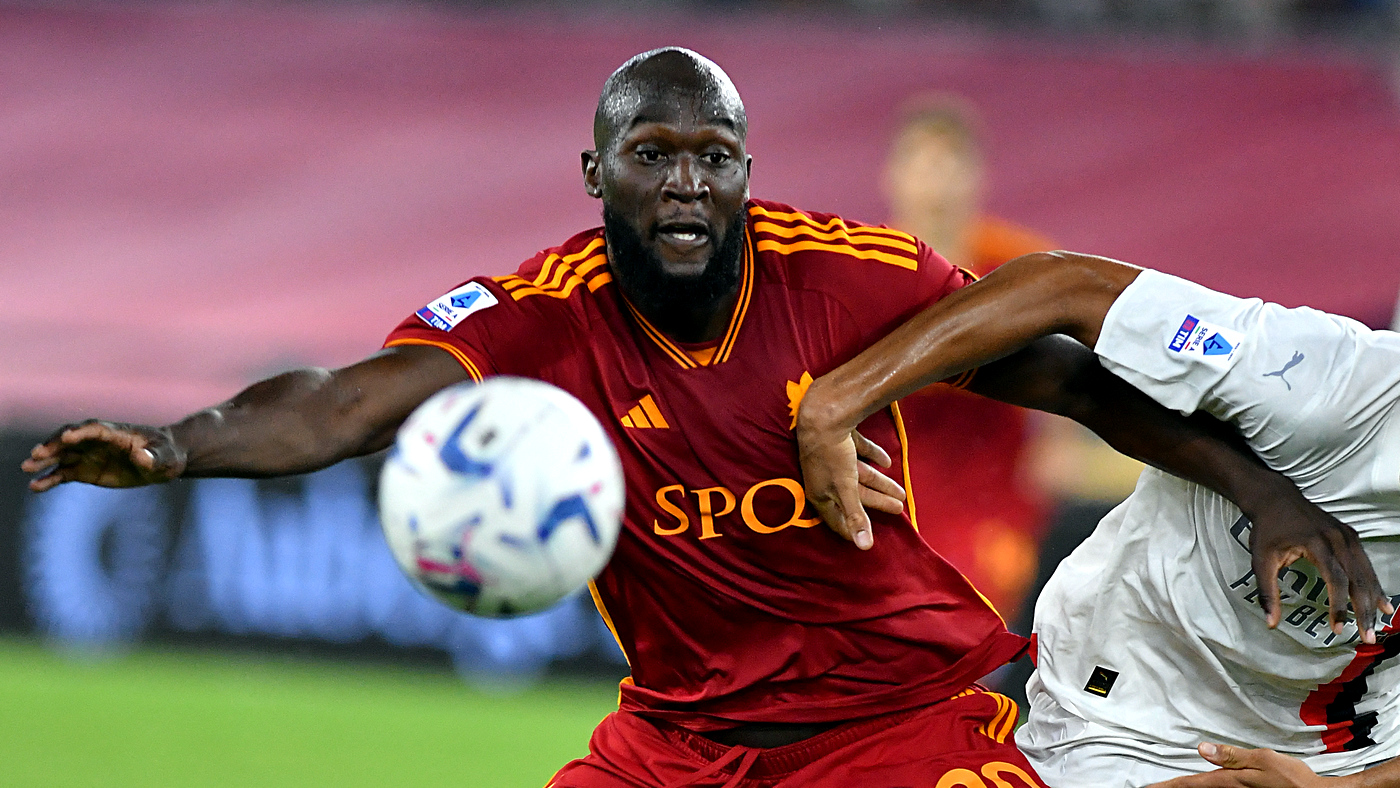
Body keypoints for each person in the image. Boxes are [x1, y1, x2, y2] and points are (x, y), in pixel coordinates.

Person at [22, 49, 1382, 787]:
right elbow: (341, 404)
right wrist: (177, 447)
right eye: (653, 155)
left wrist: (1265, 493)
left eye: (712, 157)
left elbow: (1075, 377)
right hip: (673, 745)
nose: (685, 182)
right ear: (594, 170)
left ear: (745, 173)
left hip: (895, 729)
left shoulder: (846, 276)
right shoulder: (537, 318)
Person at [796, 251, 1400, 787]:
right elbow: (1063, 286)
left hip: (1344, 757)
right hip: (1123, 715)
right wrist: (837, 403)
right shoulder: (1325, 384)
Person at [883, 95, 1059, 621]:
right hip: (893, 493)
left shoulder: (1015, 265)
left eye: (949, 164)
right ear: (894, 176)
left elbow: (1071, 356)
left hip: (990, 498)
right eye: (922, 164)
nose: (935, 183)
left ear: (976, 175)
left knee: (970, 629)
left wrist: (1057, 447)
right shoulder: (865, 266)